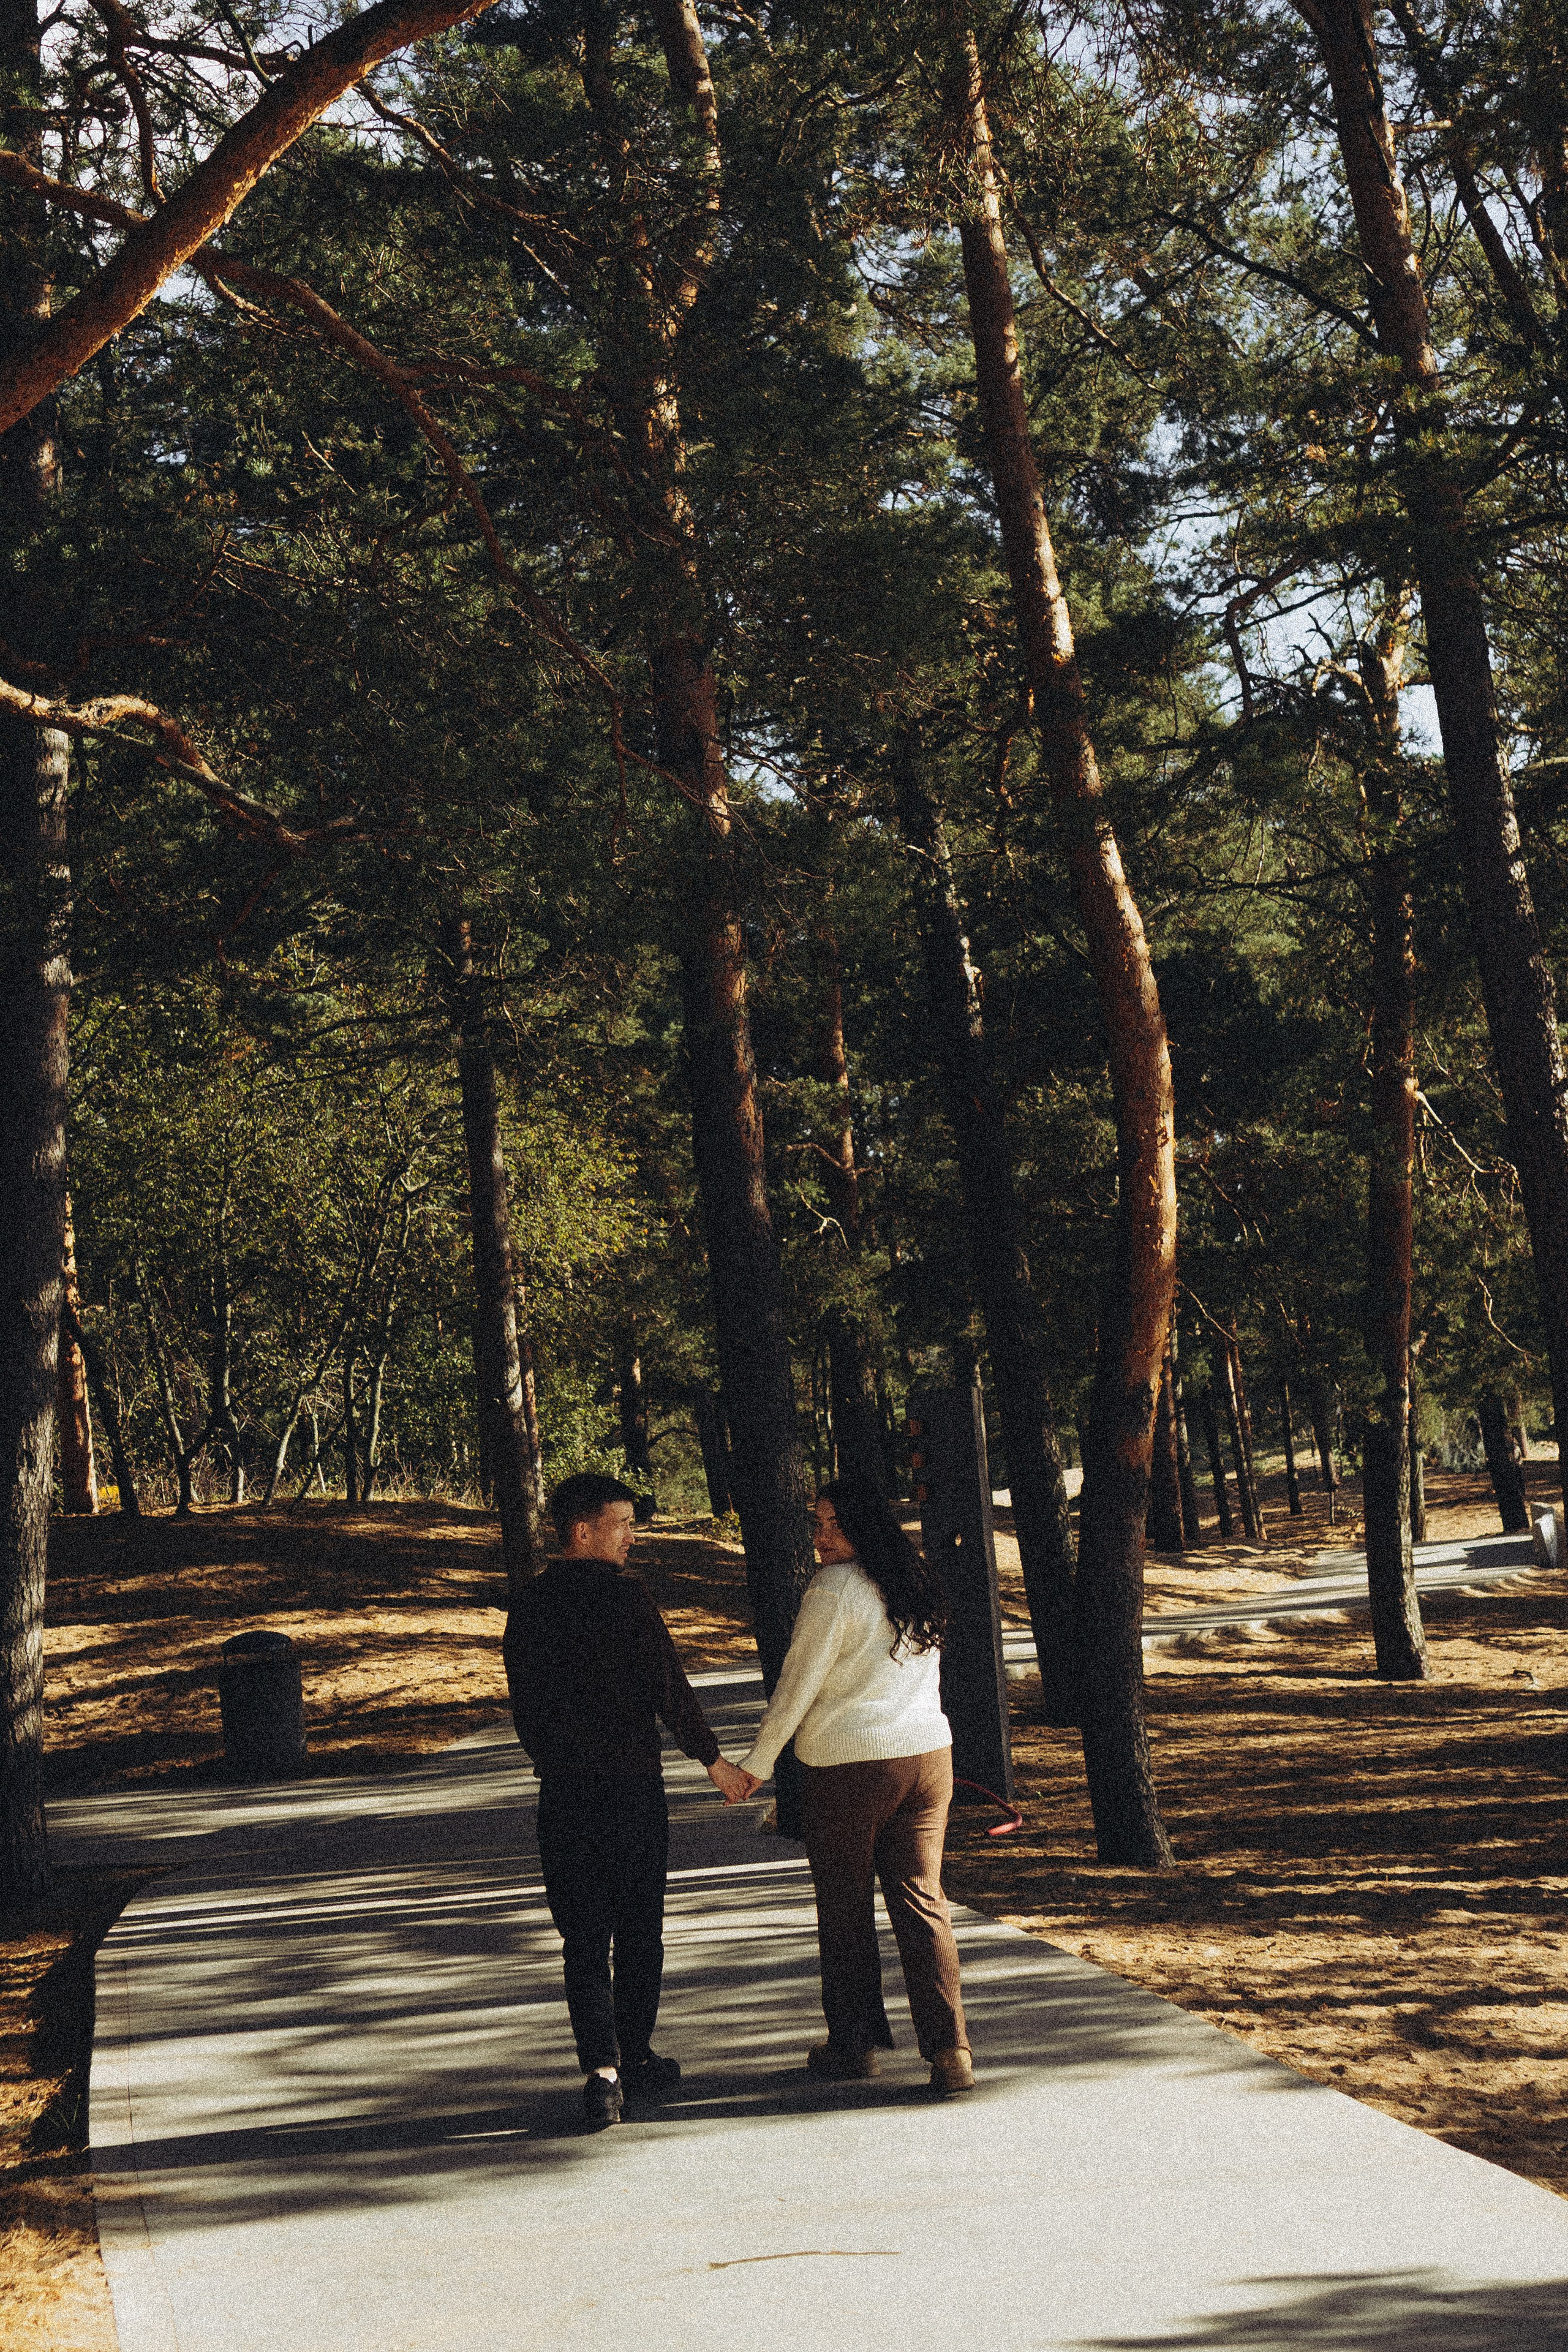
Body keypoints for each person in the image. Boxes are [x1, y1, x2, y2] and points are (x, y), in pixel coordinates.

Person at [503, 1471, 753, 2128]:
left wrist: (557, 1759)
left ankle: (603, 2071)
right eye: (621, 1524)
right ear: (581, 1531)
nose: (631, 1538)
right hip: (631, 1792)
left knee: (582, 1935)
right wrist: (713, 1762)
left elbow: (525, 1709)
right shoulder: (628, 1600)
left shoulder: (527, 1606)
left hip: (564, 1796)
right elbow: (667, 1686)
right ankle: (633, 2053)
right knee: (639, 1928)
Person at [730, 1478, 973, 2096]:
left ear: (865, 1525)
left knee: (843, 1907)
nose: (820, 1536)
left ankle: (853, 2046)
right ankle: (951, 2053)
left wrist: (756, 1765)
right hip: (927, 1759)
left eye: (833, 1523)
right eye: (817, 1523)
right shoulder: (912, 1580)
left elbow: (796, 1686)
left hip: (849, 1768)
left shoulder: (833, 1590)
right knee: (923, 1899)